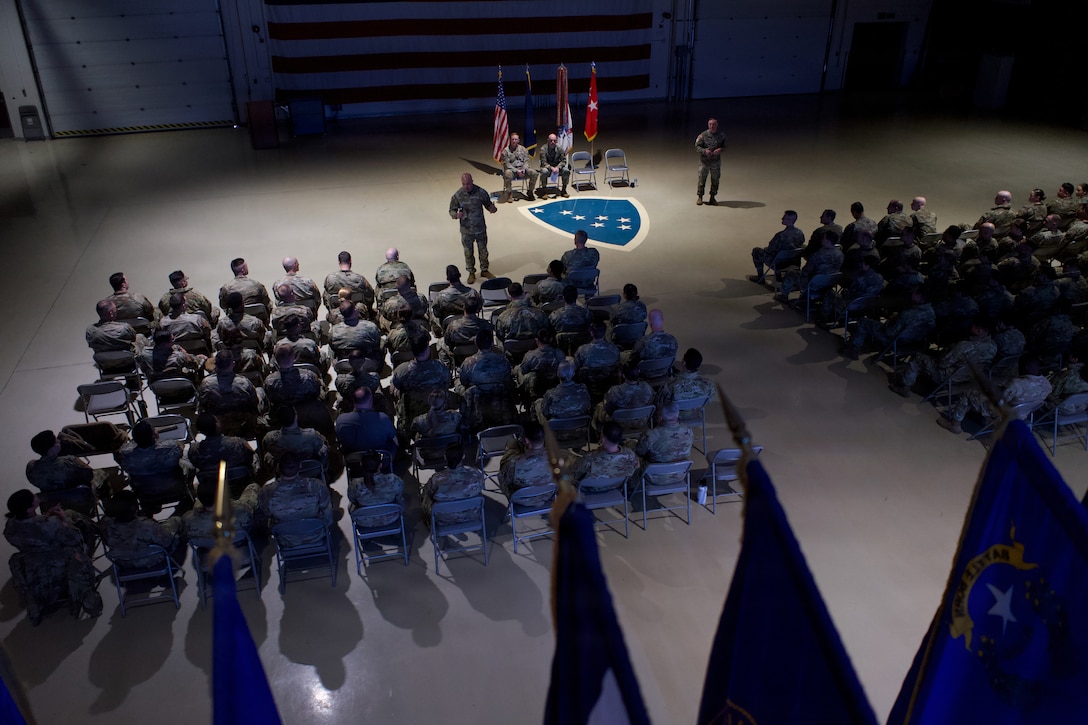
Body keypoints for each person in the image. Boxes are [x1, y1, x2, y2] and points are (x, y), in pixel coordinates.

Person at [5, 489, 102, 624]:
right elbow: (75, 539)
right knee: (80, 523)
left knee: (70, 514)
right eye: (32, 497)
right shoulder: (51, 524)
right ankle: (104, 530)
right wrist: (64, 520)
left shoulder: (11, 526)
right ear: (29, 509)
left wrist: (46, 516)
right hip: (61, 562)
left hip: (34, 564)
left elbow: (35, 534)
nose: (35, 495)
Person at [257, 453, 337, 545]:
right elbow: (328, 514)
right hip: (316, 534)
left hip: (285, 538)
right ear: (300, 466)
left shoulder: (266, 492)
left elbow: (265, 515)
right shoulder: (316, 486)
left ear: (278, 467)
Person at [449, 173, 498, 284]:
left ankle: (484, 270)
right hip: (466, 230)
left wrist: (492, 208)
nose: (466, 186)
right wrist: (456, 215)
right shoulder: (458, 195)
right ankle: (471, 272)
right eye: (464, 184)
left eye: (468, 184)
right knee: (468, 252)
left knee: (483, 251)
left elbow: (488, 204)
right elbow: (451, 210)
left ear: (472, 181)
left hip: (480, 228)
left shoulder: (481, 192)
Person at [421, 445, 483, 528]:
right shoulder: (475, 474)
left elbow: (427, 494)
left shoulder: (436, 479)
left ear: (445, 457)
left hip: (444, 519)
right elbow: (481, 487)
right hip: (472, 515)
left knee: (425, 497)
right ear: (463, 456)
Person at [634, 401, 693, 487]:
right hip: (679, 475)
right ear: (677, 413)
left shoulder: (651, 435)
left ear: (660, 416)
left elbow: (639, 452)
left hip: (654, 477)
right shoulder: (688, 430)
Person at [497, 422, 555, 508]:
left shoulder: (515, 463)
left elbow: (503, 478)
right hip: (547, 495)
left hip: (521, 498)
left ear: (526, 440)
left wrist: (509, 455)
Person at [260, 405, 330, 476]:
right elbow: (323, 450)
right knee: (324, 447)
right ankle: (323, 471)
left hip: (286, 473)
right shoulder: (311, 435)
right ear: (296, 416)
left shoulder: (270, 438)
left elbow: (264, 448)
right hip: (310, 471)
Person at [182, 479, 260, 540]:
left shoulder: (188, 520)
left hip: (209, 548)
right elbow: (249, 513)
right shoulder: (240, 511)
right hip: (236, 543)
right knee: (253, 487)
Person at [572, 422, 639, 492]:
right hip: (615, 488)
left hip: (588, 491)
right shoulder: (630, 455)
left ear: (603, 439)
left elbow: (575, 476)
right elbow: (636, 467)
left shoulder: (589, 459)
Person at [345, 451, 404, 528]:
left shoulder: (354, 484)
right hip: (392, 517)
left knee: (351, 505)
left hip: (364, 521)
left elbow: (353, 500)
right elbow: (399, 495)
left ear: (361, 465)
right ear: (380, 465)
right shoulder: (394, 480)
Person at [336, 386, 398, 457]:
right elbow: (394, 438)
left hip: (353, 461)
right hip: (382, 460)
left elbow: (340, 442)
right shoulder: (383, 418)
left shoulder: (341, 420)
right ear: (371, 400)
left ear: (354, 401)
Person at [26, 430, 95, 492]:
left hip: (54, 499)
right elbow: (90, 475)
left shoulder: (30, 469)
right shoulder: (69, 462)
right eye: (56, 442)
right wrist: (77, 460)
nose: (59, 441)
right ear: (51, 449)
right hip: (78, 493)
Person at [749, 210, 805, 284]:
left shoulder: (780, 236)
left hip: (779, 263)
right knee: (782, 253)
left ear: (789, 220)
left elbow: (770, 250)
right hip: (794, 262)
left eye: (784, 218)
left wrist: (766, 249)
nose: (782, 218)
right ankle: (778, 276)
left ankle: (760, 277)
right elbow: (801, 244)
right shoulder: (800, 233)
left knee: (756, 251)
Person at [323, 251, 375, 315]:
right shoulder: (360, 279)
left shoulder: (330, 279)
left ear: (339, 262)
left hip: (337, 314)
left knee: (326, 293)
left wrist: (330, 309)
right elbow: (370, 295)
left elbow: (325, 299)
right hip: (357, 313)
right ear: (350, 262)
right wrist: (368, 310)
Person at [694, 117, 727, 206]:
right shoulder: (703, 135)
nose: (712, 126)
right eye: (710, 124)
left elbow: (725, 146)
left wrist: (721, 149)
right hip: (704, 162)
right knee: (702, 179)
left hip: (715, 162)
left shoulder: (721, 135)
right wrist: (704, 151)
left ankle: (713, 197)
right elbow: (697, 146)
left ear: (717, 125)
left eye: (713, 124)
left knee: (715, 179)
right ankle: (700, 196)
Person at [499, 132, 538, 202]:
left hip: (523, 170)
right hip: (512, 172)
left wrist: (523, 169)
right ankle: (509, 193)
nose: (514, 141)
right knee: (507, 173)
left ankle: (530, 191)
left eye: (516, 139)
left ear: (518, 140)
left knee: (534, 173)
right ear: (510, 140)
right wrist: (516, 170)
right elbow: (506, 164)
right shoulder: (505, 151)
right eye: (512, 139)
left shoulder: (523, 149)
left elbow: (527, 161)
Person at [537, 133, 570, 198]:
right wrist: (551, 168)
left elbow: (563, 161)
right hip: (548, 168)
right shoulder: (543, 149)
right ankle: (544, 191)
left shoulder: (559, 148)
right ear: (548, 140)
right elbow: (543, 162)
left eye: (554, 141)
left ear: (556, 141)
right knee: (544, 171)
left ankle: (564, 190)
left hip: (557, 168)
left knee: (566, 170)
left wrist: (558, 167)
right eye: (551, 140)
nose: (552, 142)